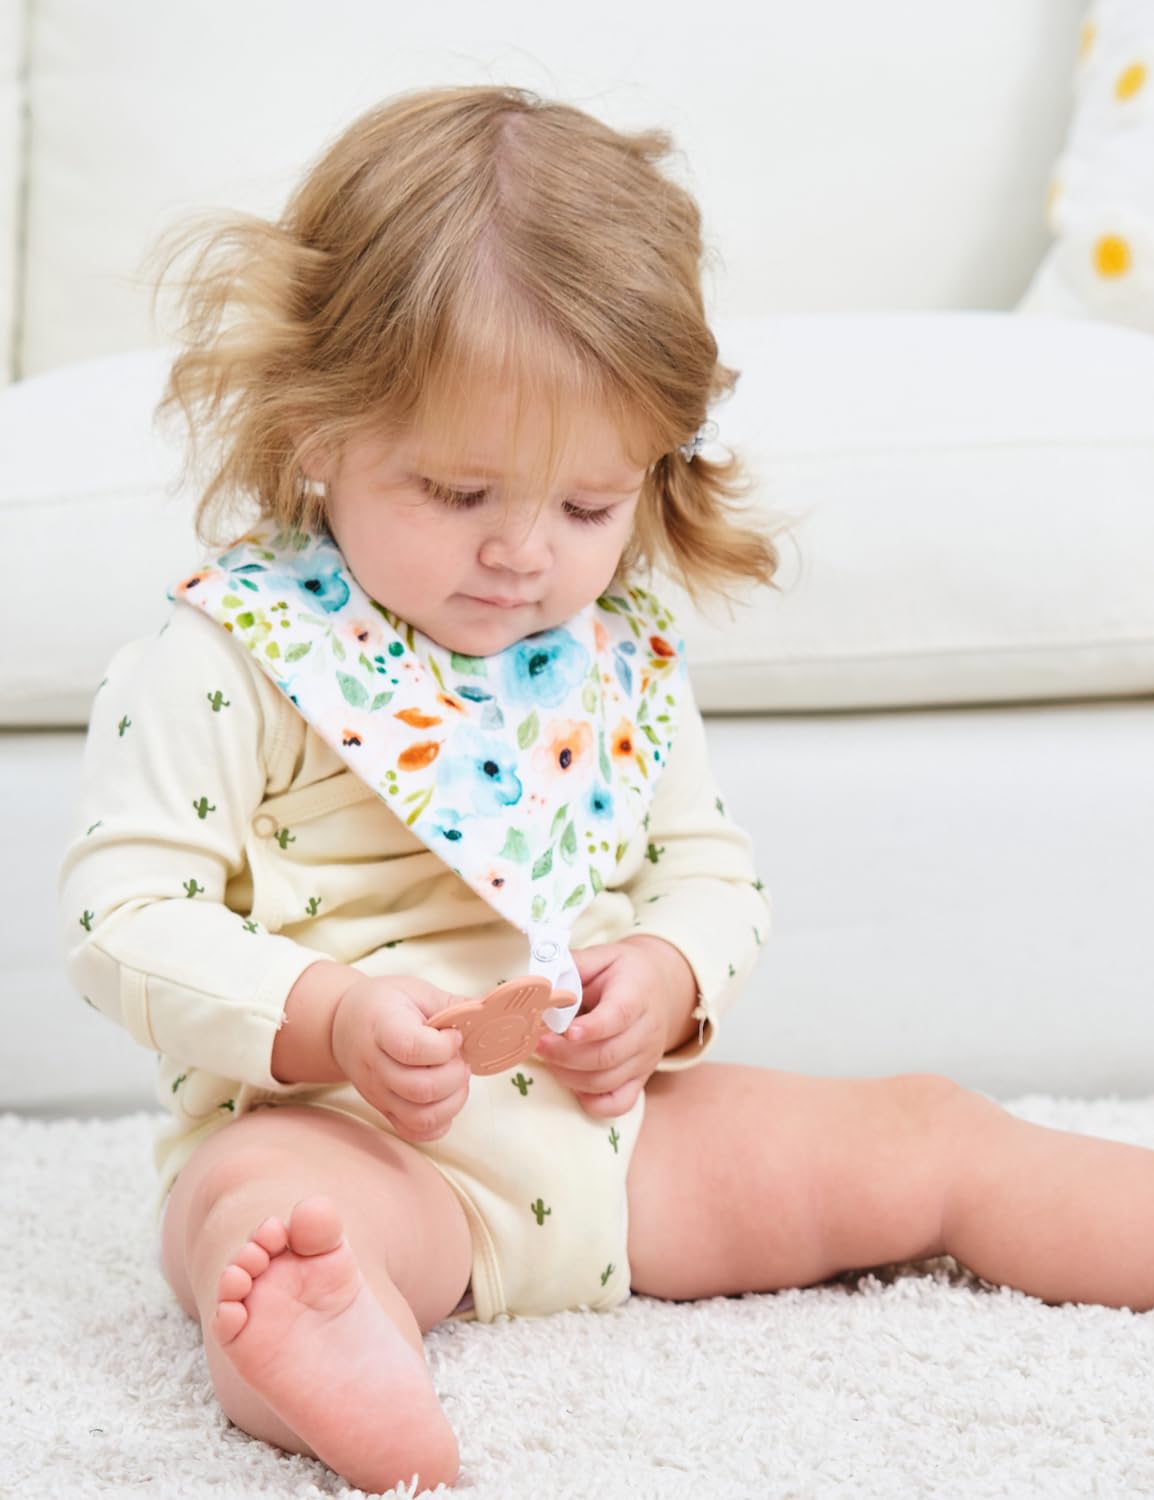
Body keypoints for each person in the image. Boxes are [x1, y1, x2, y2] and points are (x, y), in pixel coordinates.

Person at [60, 84, 1154, 1495]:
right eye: (457, 493)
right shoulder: (230, 657)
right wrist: (325, 1016)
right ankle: (337, 1341)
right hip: (365, 1147)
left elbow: (709, 868)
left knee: (928, 1131)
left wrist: (668, 971)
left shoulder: (611, 653)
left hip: (621, 1140)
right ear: (318, 428)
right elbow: (123, 912)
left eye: (586, 506)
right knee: (256, 1222)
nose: (525, 556)